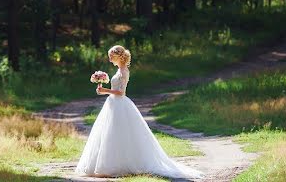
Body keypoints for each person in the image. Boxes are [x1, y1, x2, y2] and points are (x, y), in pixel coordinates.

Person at [74, 45, 203, 179]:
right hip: (112, 104)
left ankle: (118, 165)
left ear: (118, 56)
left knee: (118, 133)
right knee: (109, 133)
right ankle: (106, 164)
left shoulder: (124, 71)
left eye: (111, 56)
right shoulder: (119, 70)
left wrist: (105, 91)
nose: (110, 58)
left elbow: (121, 92)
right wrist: (103, 87)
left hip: (120, 104)